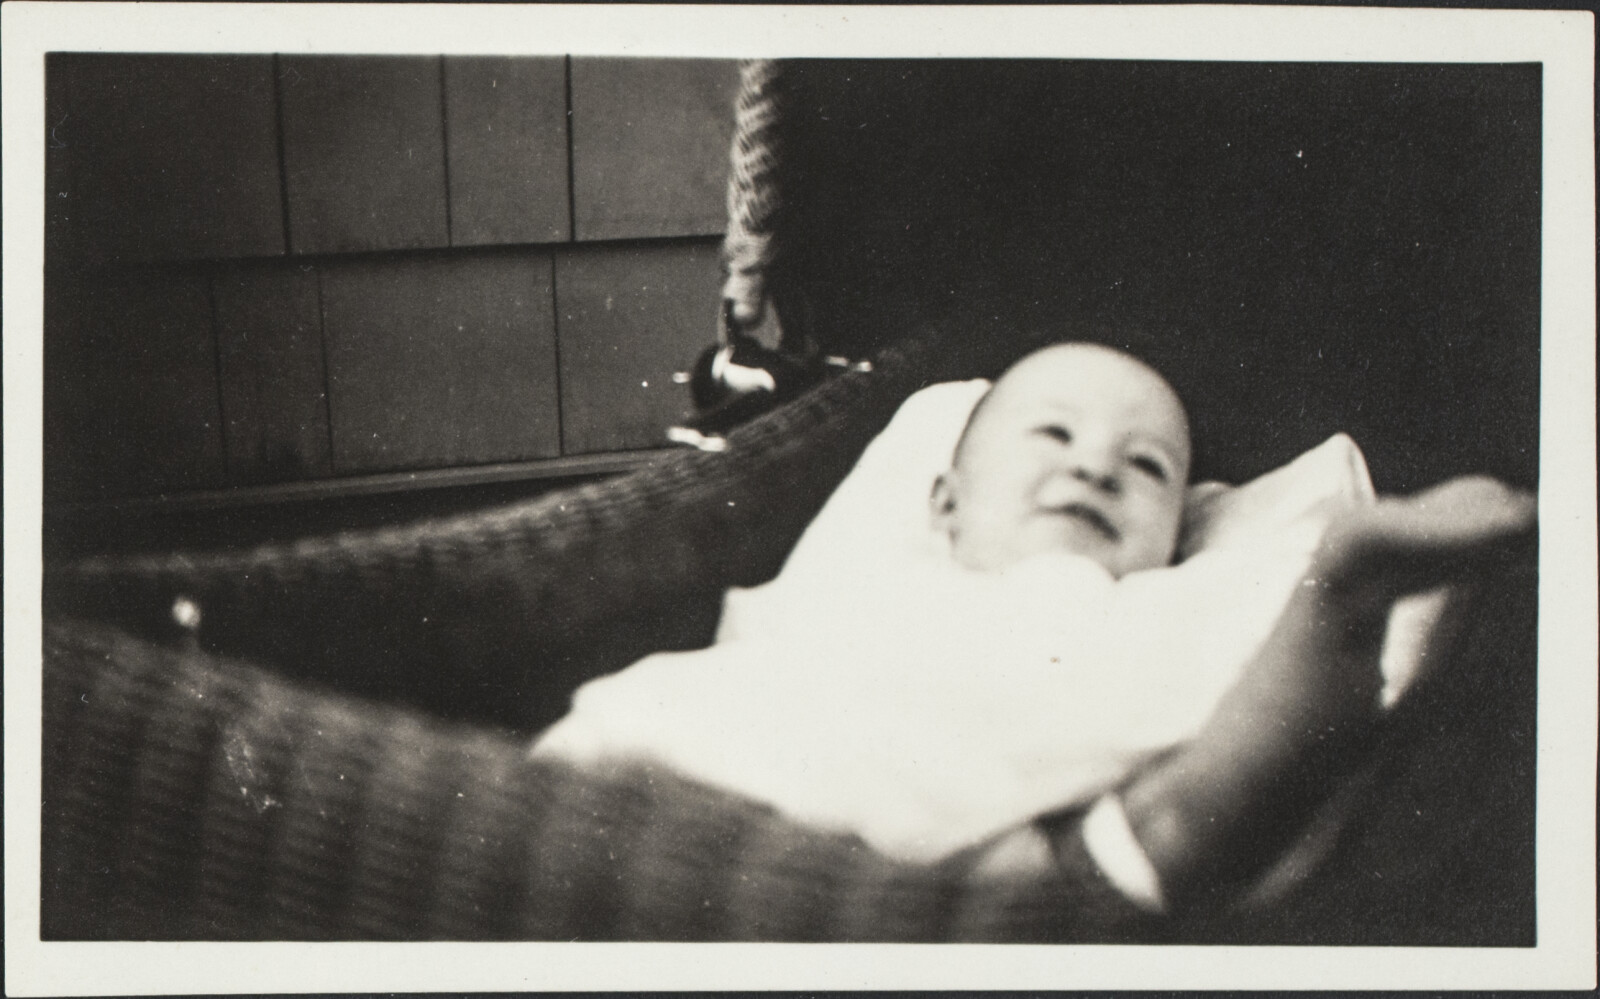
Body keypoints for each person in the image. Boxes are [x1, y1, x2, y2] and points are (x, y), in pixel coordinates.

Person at [533, 342, 1536, 913]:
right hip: (778, 810)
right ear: (942, 505)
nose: (1096, 466)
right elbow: (772, 676)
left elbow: (1265, 716)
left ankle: (1345, 591)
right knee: (651, 718)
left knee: (1197, 802)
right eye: (1053, 435)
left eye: (1147, 468)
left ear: (1177, 530)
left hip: (1033, 874)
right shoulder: (880, 578)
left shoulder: (1159, 604)